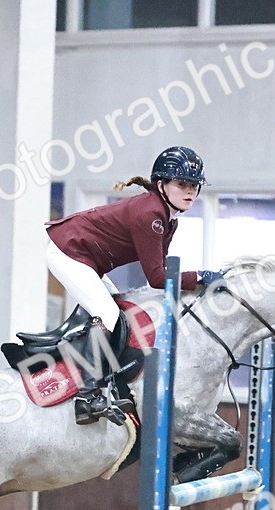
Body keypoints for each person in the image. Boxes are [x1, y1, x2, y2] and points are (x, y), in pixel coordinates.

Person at [39, 145, 222, 424]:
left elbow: (160, 272)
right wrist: (199, 277)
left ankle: (107, 381)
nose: (190, 192)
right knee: (108, 314)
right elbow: (158, 278)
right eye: (182, 184)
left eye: (195, 186)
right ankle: (87, 395)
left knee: (119, 313)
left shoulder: (167, 219)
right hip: (69, 251)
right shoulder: (151, 215)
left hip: (86, 258)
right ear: (162, 185)